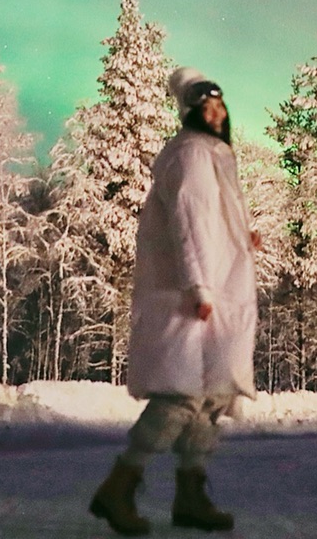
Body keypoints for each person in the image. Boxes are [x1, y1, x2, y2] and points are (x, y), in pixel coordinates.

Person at [89, 67, 262, 534]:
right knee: (180, 397)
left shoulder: (215, 154)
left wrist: (241, 236)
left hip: (216, 292)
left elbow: (210, 222)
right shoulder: (188, 154)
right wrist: (198, 287)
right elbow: (186, 223)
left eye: (220, 105)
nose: (217, 112)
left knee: (214, 398)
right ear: (190, 114)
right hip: (193, 296)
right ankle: (119, 486)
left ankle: (190, 495)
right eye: (207, 107)